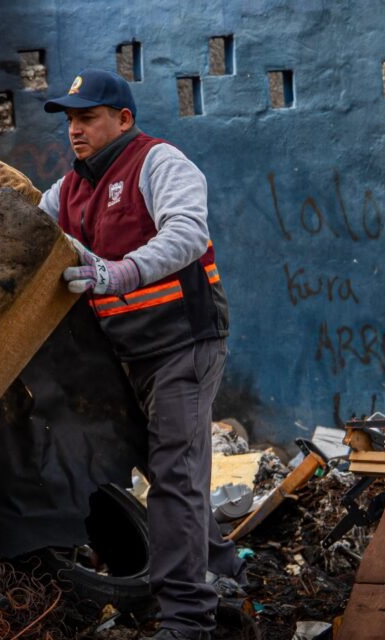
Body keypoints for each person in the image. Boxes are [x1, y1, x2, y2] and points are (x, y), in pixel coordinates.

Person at [37, 69, 240, 640]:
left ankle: (187, 619)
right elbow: (28, 224)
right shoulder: (69, 189)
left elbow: (186, 235)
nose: (75, 131)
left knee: (174, 474)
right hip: (126, 351)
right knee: (161, 466)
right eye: (70, 121)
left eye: (88, 118)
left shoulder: (160, 163)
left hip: (183, 342)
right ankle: (225, 569)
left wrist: (116, 271)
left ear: (123, 119)